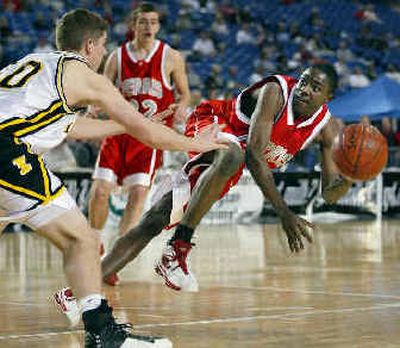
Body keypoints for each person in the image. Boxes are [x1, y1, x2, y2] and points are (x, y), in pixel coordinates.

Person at [55, 63, 354, 323]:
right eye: (303, 80)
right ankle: (178, 249)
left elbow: (330, 195)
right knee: (235, 154)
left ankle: (76, 293)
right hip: (213, 122)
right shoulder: (276, 91)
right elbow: (254, 155)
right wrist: (285, 213)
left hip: (228, 160)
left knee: (155, 220)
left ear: (328, 98)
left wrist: (351, 175)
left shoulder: (326, 130)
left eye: (315, 87)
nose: (304, 89)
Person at [0, 8, 225, 348]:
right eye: (103, 45)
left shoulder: (37, 64)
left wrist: (126, 122)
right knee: (84, 241)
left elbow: (74, 128)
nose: (105, 52)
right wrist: (199, 143)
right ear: (90, 45)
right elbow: (150, 134)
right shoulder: (88, 77)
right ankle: (103, 333)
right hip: (6, 149)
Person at [89, 3, 191, 286]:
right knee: (99, 192)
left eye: (153, 22)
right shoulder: (117, 58)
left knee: (137, 196)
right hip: (118, 132)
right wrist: (94, 108)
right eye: (143, 22)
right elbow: (101, 90)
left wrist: (182, 107)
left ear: (158, 26)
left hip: (147, 135)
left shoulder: (170, 56)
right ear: (133, 25)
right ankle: (94, 244)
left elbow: (185, 94)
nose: (148, 27)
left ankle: (111, 260)